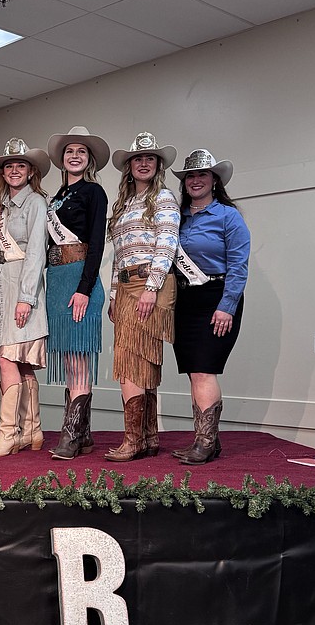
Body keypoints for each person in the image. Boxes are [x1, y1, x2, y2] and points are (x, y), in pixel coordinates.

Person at [170, 150, 250, 464]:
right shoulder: (178, 216)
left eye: (202, 175)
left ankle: (204, 443)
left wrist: (227, 306)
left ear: (214, 181)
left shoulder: (229, 216)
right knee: (194, 373)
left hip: (216, 298)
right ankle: (207, 441)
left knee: (204, 370)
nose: (195, 180)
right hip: (184, 300)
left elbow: (239, 266)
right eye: (190, 175)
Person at [104, 131, 180, 462]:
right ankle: (148, 438)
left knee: (131, 359)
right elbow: (118, 255)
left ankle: (133, 441)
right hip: (126, 285)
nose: (144, 163)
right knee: (139, 358)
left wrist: (152, 286)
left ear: (157, 165)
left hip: (151, 284)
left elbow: (167, 242)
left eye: (150, 158)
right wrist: (112, 293)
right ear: (130, 166)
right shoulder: (123, 205)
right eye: (138, 158)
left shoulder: (164, 198)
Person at [43, 126, 110, 459]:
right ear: (62, 159)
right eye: (70, 151)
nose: (74, 156)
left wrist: (84, 289)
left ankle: (69, 436)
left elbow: (96, 243)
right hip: (57, 280)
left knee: (79, 360)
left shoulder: (94, 192)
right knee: (71, 362)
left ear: (90, 159)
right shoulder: (54, 198)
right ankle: (82, 434)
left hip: (80, 279)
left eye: (81, 152)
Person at [0, 138, 50, 457]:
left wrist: (26, 297)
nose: (13, 170)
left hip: (22, 284)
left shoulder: (36, 202)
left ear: (30, 171)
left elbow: (37, 251)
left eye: (19, 165)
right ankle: (32, 431)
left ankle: (8, 434)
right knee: (20, 364)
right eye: (8, 165)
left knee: (9, 358)